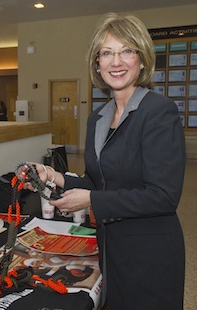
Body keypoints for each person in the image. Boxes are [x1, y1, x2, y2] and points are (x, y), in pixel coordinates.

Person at [24, 12, 185, 310]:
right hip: (110, 248)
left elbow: (163, 197)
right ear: (97, 63)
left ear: (142, 59)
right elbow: (97, 183)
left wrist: (92, 200)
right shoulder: (97, 118)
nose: (116, 61)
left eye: (127, 51)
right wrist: (54, 176)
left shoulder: (159, 111)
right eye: (107, 53)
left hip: (150, 252)